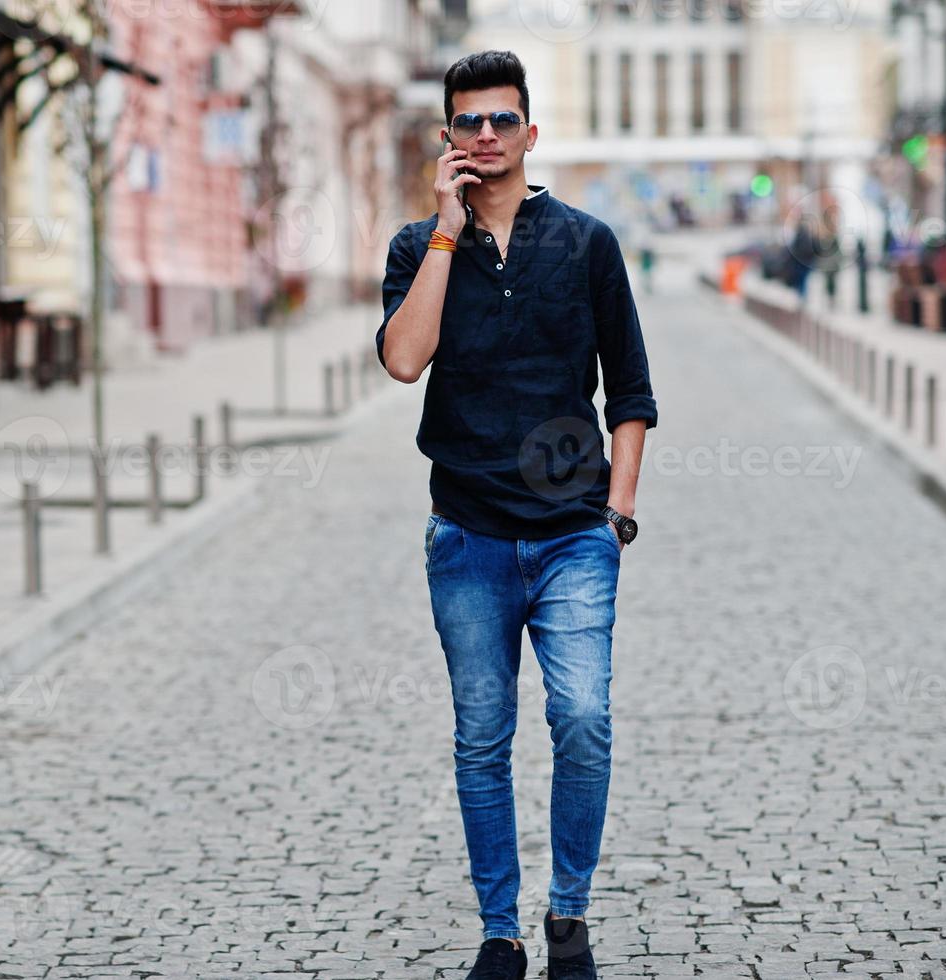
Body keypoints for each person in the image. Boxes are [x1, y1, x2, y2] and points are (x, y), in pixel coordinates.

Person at [377, 50, 656, 980]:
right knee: (481, 738)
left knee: (581, 719)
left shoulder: (586, 243)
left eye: (502, 121)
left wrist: (616, 513)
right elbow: (402, 361)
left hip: (574, 532)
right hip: (467, 538)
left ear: (530, 133)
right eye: (469, 123)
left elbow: (631, 391)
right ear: (448, 138)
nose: (486, 136)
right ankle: (500, 932)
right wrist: (448, 233)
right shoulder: (419, 249)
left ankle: (566, 917)